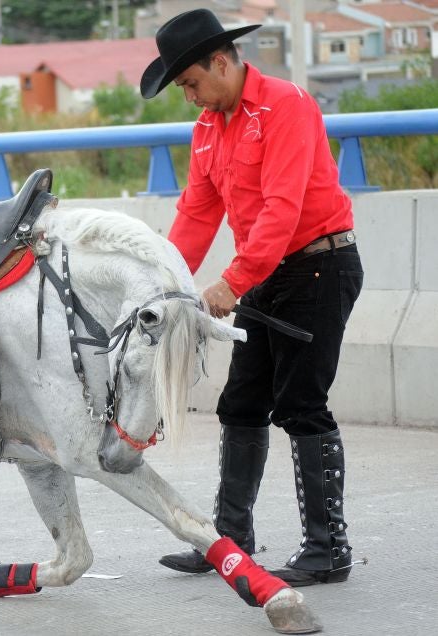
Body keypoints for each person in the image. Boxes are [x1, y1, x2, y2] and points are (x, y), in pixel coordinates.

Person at [141, 9, 363, 587]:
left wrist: (231, 281)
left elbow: (282, 209)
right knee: (240, 405)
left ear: (221, 62)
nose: (189, 97)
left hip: (319, 266)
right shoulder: (210, 128)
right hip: (270, 275)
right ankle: (231, 543)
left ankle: (328, 549)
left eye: (190, 83)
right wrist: (163, 282)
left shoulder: (285, 105)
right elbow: (196, 213)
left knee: (301, 404)